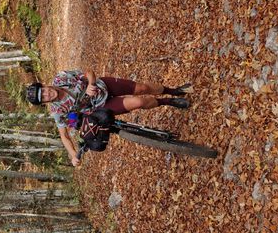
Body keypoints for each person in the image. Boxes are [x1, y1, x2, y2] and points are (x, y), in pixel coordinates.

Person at [25, 69, 190, 167]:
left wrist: (90, 83)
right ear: (44, 102)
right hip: (103, 107)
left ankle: (173, 90)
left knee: (142, 88)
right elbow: (64, 135)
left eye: (44, 91)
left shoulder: (61, 78)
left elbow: (89, 72)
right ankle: (168, 101)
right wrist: (73, 155)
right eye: (44, 98)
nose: (47, 94)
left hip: (105, 85)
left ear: (44, 85)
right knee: (139, 101)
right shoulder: (59, 110)